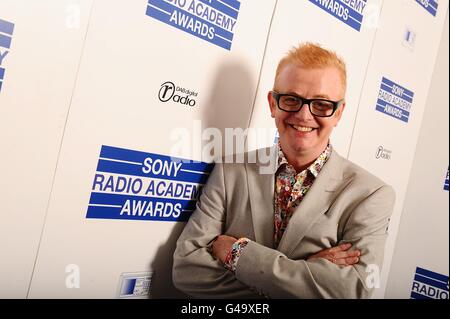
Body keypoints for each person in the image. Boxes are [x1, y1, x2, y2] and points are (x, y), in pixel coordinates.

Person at [172, 42, 395, 298]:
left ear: (338, 113)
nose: (303, 115)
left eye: (321, 104)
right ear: (272, 104)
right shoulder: (229, 171)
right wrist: (303, 279)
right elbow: (187, 269)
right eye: (291, 99)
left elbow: (352, 292)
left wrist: (237, 253)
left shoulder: (370, 194)